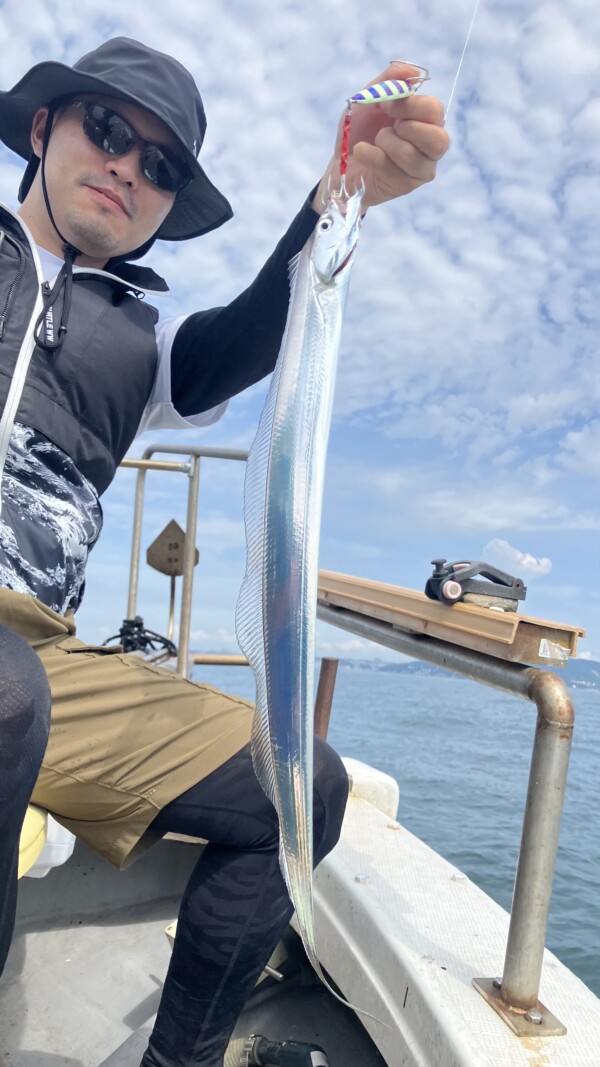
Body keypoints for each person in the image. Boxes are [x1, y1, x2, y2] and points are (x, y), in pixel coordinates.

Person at [0, 37, 449, 1066]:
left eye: (161, 165)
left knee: (300, 787)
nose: (128, 167)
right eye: (107, 130)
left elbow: (252, 330)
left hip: (43, 661)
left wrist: (341, 195)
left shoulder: (142, 343)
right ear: (42, 128)